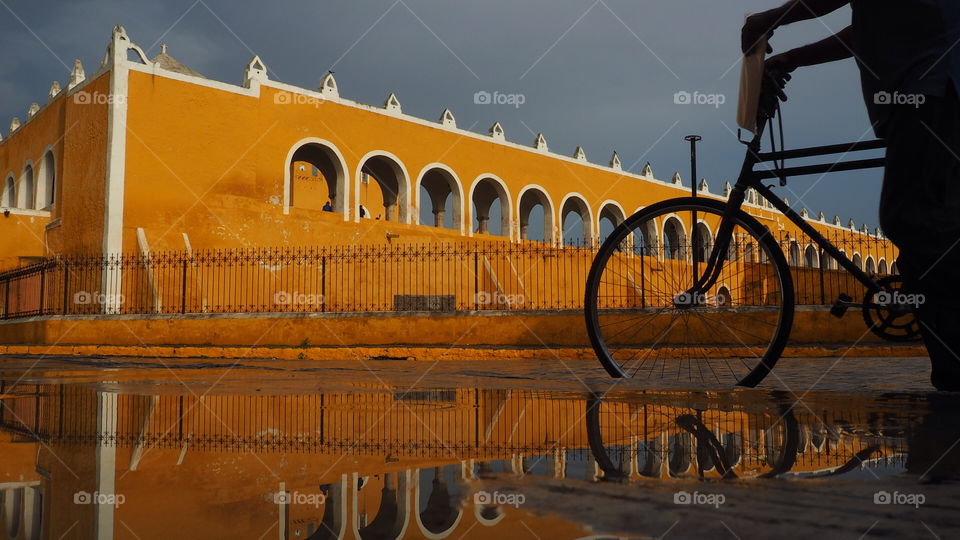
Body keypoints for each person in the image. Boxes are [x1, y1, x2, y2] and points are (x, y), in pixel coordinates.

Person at [742, 0, 960, 391]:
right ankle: (950, 370)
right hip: (931, 95)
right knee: (930, 231)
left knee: (914, 221)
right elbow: (866, 35)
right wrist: (793, 58)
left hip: (931, 92)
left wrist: (767, 19)